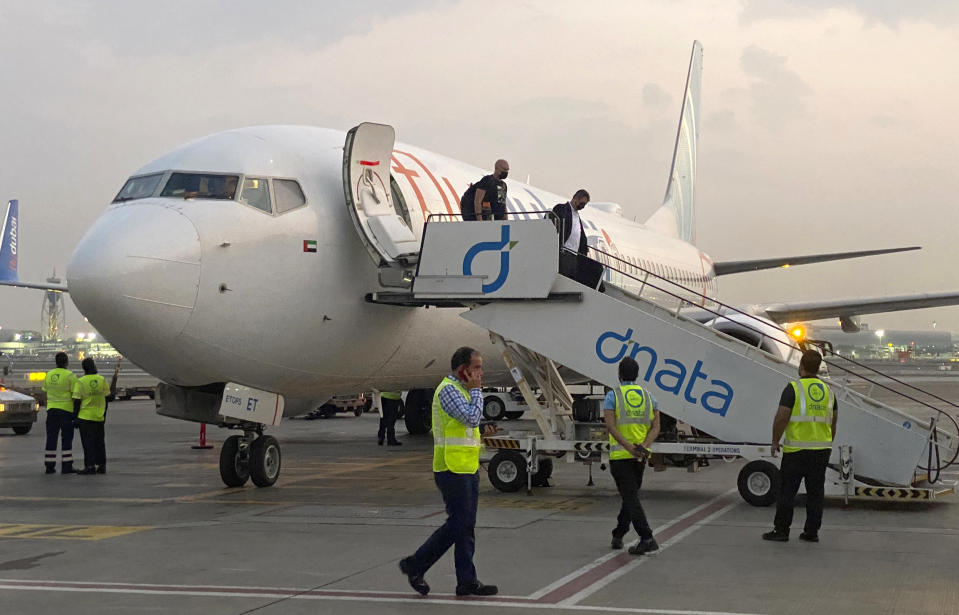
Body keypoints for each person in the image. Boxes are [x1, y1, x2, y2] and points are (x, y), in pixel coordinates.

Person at [399, 347, 499, 597]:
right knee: (459, 524)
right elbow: (470, 418)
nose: (480, 373)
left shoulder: (461, 391)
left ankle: (466, 581)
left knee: (466, 526)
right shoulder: (449, 390)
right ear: (462, 369)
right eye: (476, 367)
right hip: (451, 469)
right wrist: (477, 392)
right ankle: (416, 564)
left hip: (467, 467)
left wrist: (483, 429)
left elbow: (468, 425)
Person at [763, 349, 838, 543]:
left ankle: (781, 531)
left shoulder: (793, 388)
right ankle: (811, 532)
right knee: (815, 493)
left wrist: (774, 440)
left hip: (796, 451)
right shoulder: (829, 391)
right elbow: (833, 422)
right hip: (821, 451)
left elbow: (781, 417)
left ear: (801, 366)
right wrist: (827, 443)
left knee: (787, 492)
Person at [604, 356, 661, 555]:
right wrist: (644, 446)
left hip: (621, 457)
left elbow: (610, 426)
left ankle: (647, 537)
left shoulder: (613, 396)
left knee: (630, 497)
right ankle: (619, 533)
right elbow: (656, 427)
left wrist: (628, 447)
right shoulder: (649, 396)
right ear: (637, 375)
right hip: (640, 457)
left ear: (619, 374)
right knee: (631, 497)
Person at [72, 358, 118, 475]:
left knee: (87, 444)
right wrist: (114, 383)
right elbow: (109, 397)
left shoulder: (81, 381)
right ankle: (102, 465)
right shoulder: (101, 380)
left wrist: (75, 418)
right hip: (99, 416)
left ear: (83, 368)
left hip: (85, 417)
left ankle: (90, 466)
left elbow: (76, 401)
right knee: (99, 443)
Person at [42, 352, 78, 474]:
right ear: (66, 362)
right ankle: (67, 466)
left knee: (51, 438)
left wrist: (49, 406)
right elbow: (75, 395)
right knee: (66, 439)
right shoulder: (70, 376)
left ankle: (49, 465)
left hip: (51, 410)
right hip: (66, 410)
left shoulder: (49, 374)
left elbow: (44, 392)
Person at [551, 189, 590, 255]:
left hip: (574, 253)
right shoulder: (561, 209)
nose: (583, 206)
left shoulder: (577, 215)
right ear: (576, 198)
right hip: (564, 251)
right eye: (582, 203)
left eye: (584, 205)